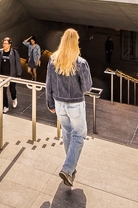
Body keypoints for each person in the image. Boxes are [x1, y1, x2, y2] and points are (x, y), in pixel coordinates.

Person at [46, 28, 92, 187]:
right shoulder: (81, 63)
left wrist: (50, 103)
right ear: (75, 43)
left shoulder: (53, 59)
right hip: (75, 104)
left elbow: (49, 84)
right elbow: (87, 87)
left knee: (67, 133)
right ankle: (67, 168)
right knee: (79, 135)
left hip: (59, 104)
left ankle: (70, 169)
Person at [0, 37, 21, 113]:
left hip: (11, 75)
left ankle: (14, 98)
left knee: (12, 90)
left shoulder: (14, 52)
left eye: (6, 43)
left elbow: (18, 63)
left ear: (10, 44)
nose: (4, 45)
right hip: (2, 75)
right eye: (3, 43)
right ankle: (5, 106)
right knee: (3, 91)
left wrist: (19, 74)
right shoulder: (0, 52)